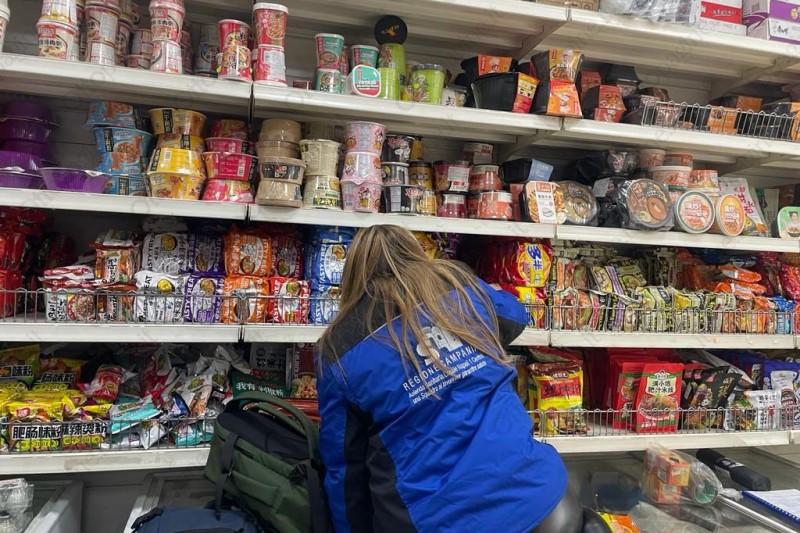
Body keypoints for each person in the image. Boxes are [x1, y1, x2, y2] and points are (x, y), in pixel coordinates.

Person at [316, 225, 572, 533]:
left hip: (435, 520)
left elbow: (345, 470)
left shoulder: (337, 345)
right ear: (414, 252)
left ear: (352, 272)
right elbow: (515, 315)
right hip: (539, 492)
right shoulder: (455, 282)